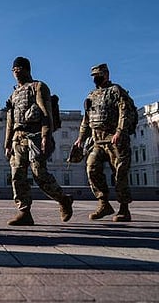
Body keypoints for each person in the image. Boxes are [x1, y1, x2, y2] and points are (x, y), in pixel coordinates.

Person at [4, 57, 73, 225]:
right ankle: (24, 211)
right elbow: (10, 122)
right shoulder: (13, 94)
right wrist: (7, 144)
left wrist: (45, 136)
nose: (16, 72)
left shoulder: (38, 87)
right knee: (17, 176)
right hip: (17, 138)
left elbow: (46, 113)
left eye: (19, 69)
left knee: (39, 174)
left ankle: (63, 199)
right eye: (14, 70)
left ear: (27, 69)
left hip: (35, 135)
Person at [73, 63, 133, 222]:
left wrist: (119, 131)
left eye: (98, 75)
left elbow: (124, 111)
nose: (95, 78)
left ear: (106, 74)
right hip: (98, 140)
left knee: (120, 174)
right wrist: (80, 137)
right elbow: (87, 119)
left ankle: (124, 209)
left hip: (115, 140)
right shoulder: (91, 95)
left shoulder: (116, 91)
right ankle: (103, 203)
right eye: (93, 76)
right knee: (91, 167)